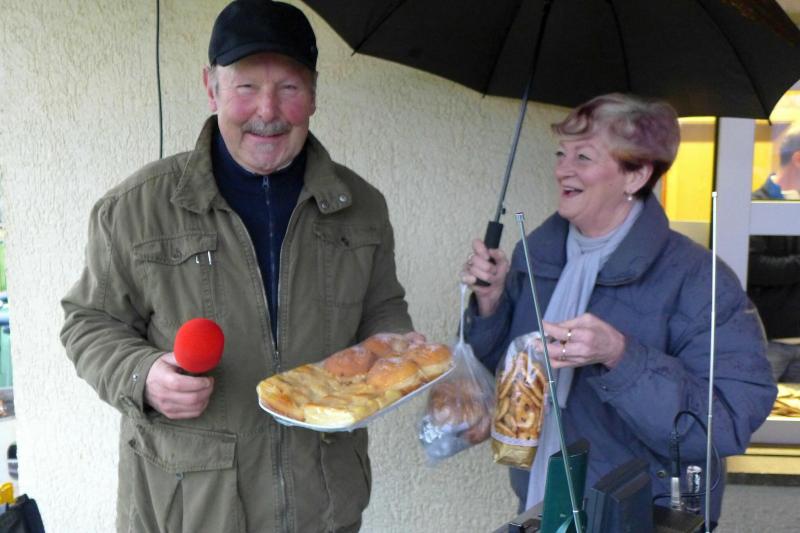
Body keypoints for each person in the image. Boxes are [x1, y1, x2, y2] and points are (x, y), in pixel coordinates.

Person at [60, 2, 419, 531]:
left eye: (289, 88)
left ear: (313, 95)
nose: (267, 111)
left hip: (322, 506)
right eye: (246, 86)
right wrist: (143, 375)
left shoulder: (361, 206)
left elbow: (383, 309)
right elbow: (88, 322)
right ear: (212, 88)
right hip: (191, 510)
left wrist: (402, 356)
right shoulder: (135, 209)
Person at [461, 93, 775, 525]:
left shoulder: (700, 279)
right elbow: (505, 378)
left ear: (636, 175)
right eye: (561, 153)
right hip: (543, 506)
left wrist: (621, 356)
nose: (562, 169)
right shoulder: (536, 255)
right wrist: (491, 303)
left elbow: (725, 425)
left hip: (640, 516)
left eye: (583, 157)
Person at [748, 129, 800, 383]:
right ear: (798, 158)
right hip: (767, 342)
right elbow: (753, 267)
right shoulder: (754, 206)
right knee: (755, 406)